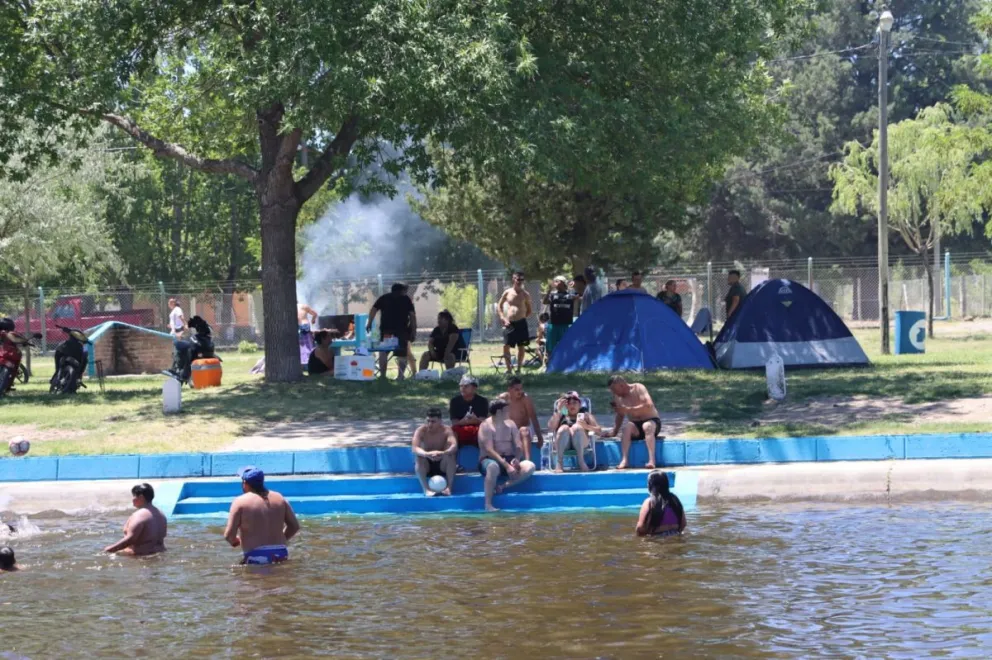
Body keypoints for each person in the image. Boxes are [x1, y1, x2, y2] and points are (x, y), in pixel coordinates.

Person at [224, 467, 300, 565]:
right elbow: (294, 526)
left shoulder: (240, 502)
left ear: (245, 483)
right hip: (280, 552)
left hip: (256, 555)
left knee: (252, 579)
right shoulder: (280, 498)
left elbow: (229, 535)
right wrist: (281, 539)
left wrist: (234, 541)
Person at [478, 400, 536, 512]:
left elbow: (518, 445)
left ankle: (502, 486)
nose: (509, 412)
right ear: (499, 412)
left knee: (530, 466)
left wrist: (517, 459)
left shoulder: (511, 424)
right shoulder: (485, 426)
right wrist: (506, 466)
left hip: (509, 459)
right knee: (492, 467)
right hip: (489, 460)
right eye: (507, 410)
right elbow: (489, 449)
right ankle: (488, 504)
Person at [607, 375, 662, 470]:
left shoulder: (638, 388)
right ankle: (624, 460)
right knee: (626, 428)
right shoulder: (617, 397)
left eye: (614, 390)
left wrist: (629, 409)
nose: (613, 393)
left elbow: (649, 405)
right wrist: (614, 431)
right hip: (635, 426)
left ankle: (652, 460)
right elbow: (620, 415)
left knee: (647, 426)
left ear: (622, 385)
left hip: (652, 422)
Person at [367, 282, 417, 380]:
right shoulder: (406, 299)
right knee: (402, 353)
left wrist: (369, 323)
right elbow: (412, 316)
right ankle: (400, 376)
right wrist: (414, 330)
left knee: (383, 352)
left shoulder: (384, 298)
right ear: (401, 290)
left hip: (386, 331)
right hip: (401, 331)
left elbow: (373, 309)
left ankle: (382, 376)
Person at [104, 483, 168, 556]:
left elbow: (130, 539)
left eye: (134, 496)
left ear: (141, 497)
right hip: (159, 554)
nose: (132, 499)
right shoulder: (161, 515)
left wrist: (109, 549)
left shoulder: (139, 515)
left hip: (140, 558)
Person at [548, 391, 603, 472]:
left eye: (574, 402)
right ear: (565, 405)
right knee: (564, 428)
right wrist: (558, 411)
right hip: (564, 444)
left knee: (577, 427)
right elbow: (550, 428)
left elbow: (599, 431)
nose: (572, 405)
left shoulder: (585, 414)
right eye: (569, 403)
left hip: (581, 443)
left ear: (580, 404)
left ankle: (581, 461)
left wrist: (586, 426)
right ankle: (559, 463)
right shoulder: (562, 413)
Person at [412, 408, 458, 496]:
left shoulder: (446, 430)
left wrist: (443, 453)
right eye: (428, 421)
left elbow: (454, 446)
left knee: (451, 457)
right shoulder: (421, 430)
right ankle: (426, 489)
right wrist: (426, 454)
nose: (430, 424)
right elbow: (414, 448)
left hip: (442, 463)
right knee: (419, 458)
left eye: (433, 421)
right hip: (427, 464)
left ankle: (448, 488)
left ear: (440, 421)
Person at [497, 271, 533, 375]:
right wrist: (503, 318)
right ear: (514, 279)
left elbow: (529, 310)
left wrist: (521, 317)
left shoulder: (526, 294)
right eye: (518, 279)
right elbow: (499, 306)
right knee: (506, 345)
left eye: (522, 279)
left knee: (521, 346)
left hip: (521, 323)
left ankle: (519, 369)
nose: (520, 281)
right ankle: (508, 369)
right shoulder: (507, 292)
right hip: (509, 323)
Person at [500, 376, 544, 462]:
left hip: (524, 430)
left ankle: (528, 461)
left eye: (521, 389)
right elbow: (494, 416)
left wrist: (540, 436)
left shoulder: (525, 399)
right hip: (509, 431)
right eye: (517, 389)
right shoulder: (503, 399)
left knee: (523, 430)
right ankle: (503, 462)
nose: (520, 392)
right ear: (509, 390)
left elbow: (533, 417)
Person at [636, 471, 687, 537]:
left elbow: (640, 528)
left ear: (650, 485)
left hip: (655, 539)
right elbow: (683, 524)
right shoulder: (675, 500)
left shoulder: (649, 502)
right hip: (675, 535)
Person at [449, 374, 489, 447]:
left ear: (474, 388)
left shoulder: (482, 401)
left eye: (466, 386)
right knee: (451, 431)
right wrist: (463, 421)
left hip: (477, 428)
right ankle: (453, 453)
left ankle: (484, 452)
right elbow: (454, 422)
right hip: (460, 427)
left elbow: (484, 421)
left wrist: (475, 420)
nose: (462, 388)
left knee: (486, 430)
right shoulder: (454, 401)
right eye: (461, 386)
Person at [543, 276, 576, 360]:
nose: (555, 283)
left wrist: (573, 284)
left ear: (562, 283)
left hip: (565, 325)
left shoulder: (571, 294)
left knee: (566, 346)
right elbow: (545, 301)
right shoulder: (553, 294)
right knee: (550, 346)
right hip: (553, 324)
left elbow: (580, 295)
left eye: (557, 281)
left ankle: (564, 364)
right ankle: (550, 364)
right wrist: (549, 291)